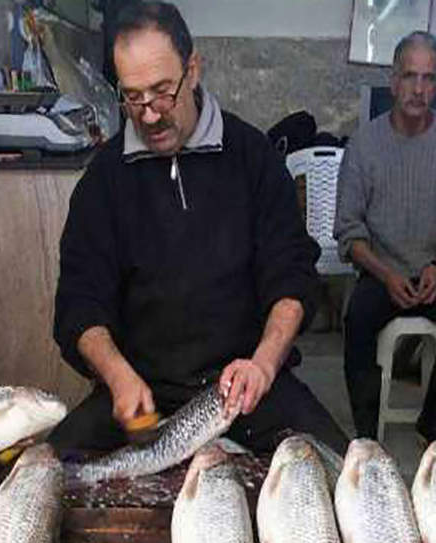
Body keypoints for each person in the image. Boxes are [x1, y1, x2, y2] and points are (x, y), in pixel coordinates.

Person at [49, 1, 349, 456]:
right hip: (141, 394)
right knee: (47, 472)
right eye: (133, 97)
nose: (149, 114)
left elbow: (292, 274)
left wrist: (264, 365)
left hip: (247, 386)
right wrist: (117, 376)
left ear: (193, 70)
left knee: (342, 470)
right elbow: (78, 301)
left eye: (162, 91)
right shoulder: (105, 179)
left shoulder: (253, 159)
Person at [334, 31, 436, 443]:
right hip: (380, 272)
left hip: (432, 272)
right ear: (393, 81)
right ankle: (366, 439)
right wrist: (385, 274)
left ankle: (432, 416)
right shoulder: (365, 144)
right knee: (357, 322)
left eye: (428, 78)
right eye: (410, 77)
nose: (419, 89)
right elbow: (348, 230)